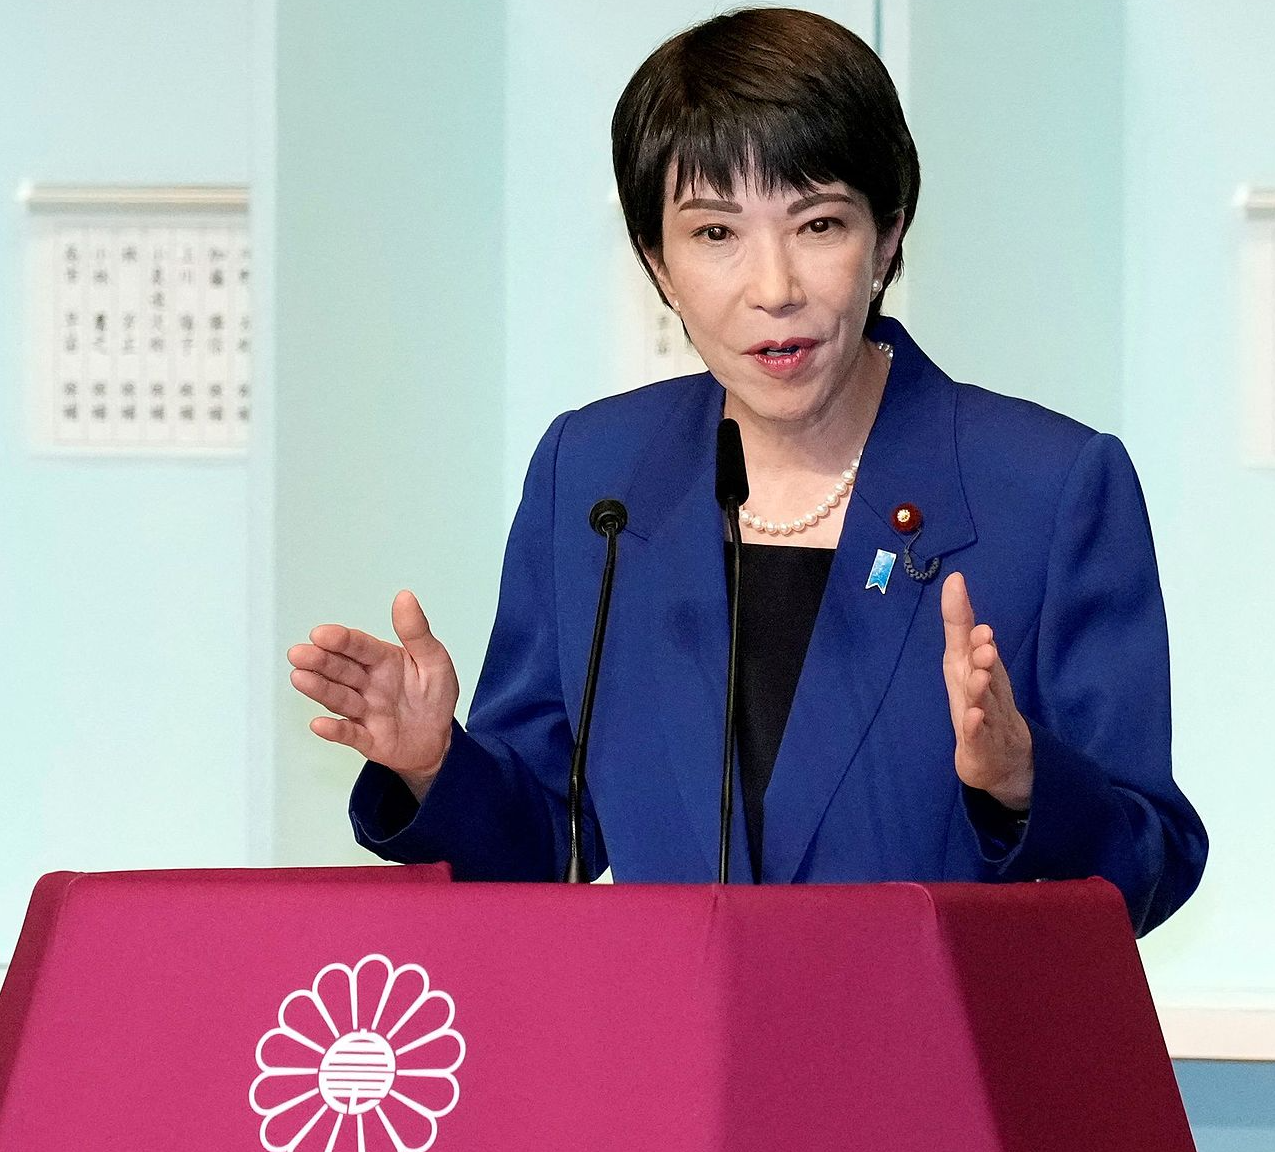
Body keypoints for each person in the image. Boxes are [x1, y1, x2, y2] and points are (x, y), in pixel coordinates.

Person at [284, 8, 1206, 935]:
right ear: (659, 264)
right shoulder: (597, 479)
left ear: (887, 236)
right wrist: (433, 764)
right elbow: (546, 845)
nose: (774, 289)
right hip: (672, 1027)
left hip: (931, 1031)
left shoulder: (1046, 488)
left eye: (818, 224)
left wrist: (1024, 784)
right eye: (716, 234)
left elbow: (1154, 861)